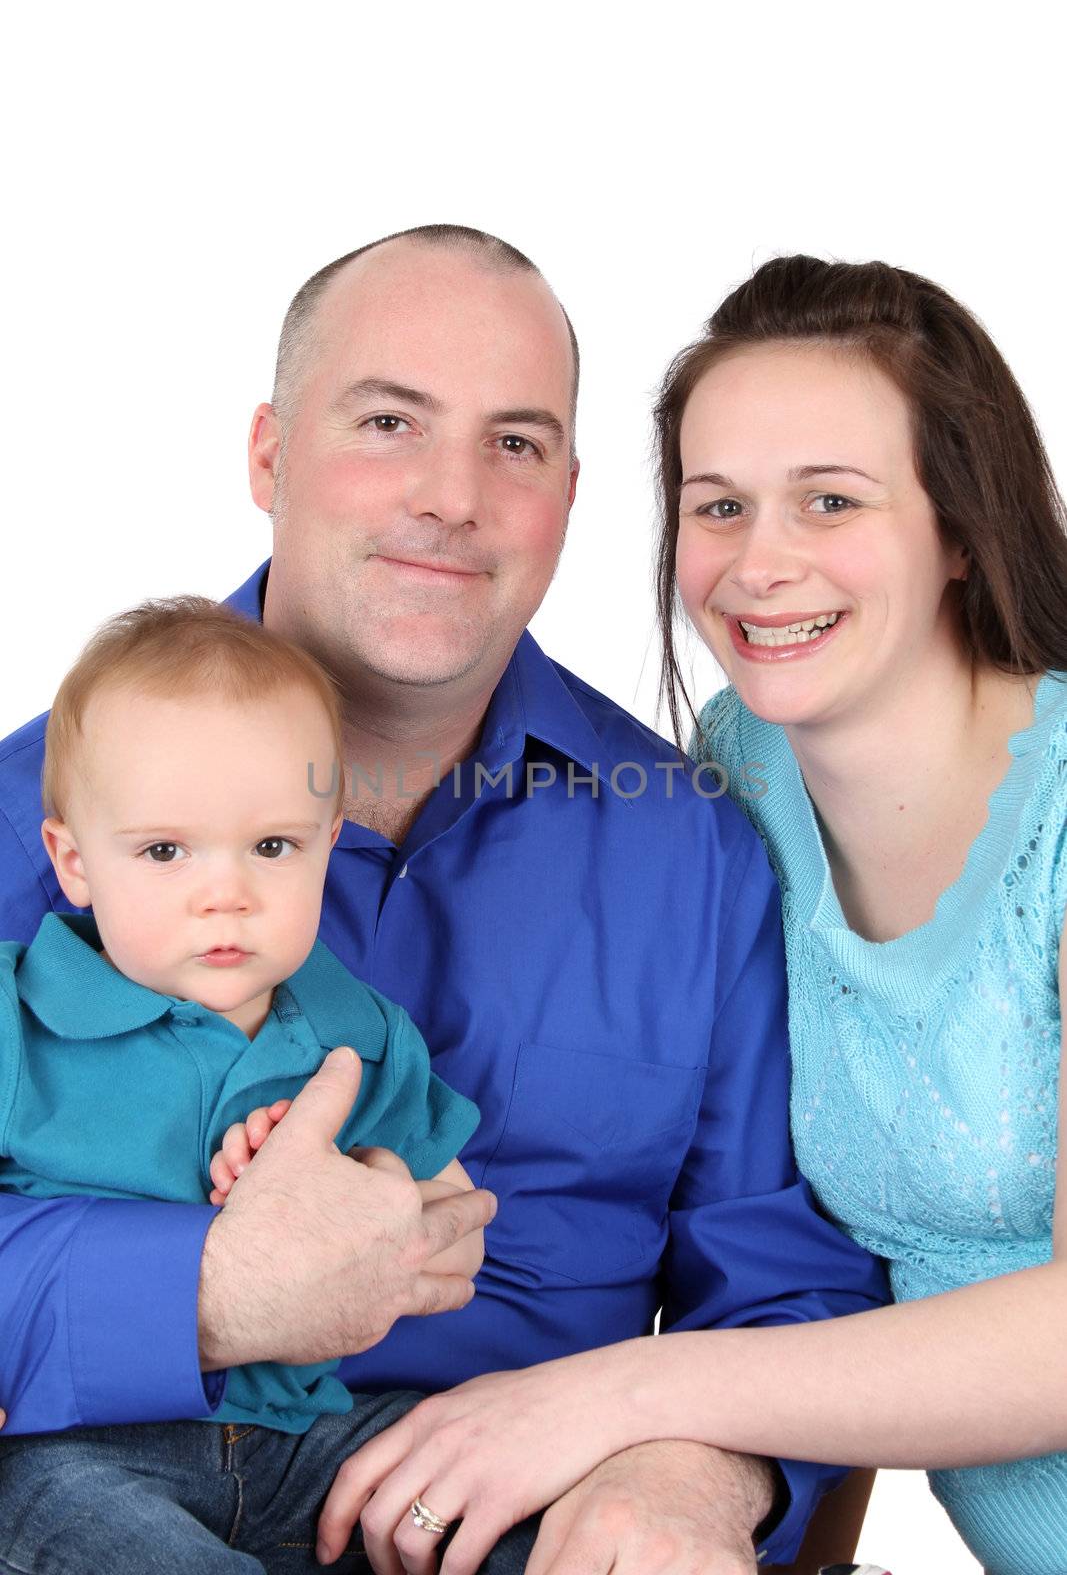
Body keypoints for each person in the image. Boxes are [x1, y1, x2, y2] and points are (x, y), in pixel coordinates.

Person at [0, 226, 888, 1573]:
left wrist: (695, 1469)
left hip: (509, 1528)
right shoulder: (31, 818)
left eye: (514, 445)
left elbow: (785, 1280)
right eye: (387, 422)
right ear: (267, 454)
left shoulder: (691, 852)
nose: (450, 496)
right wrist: (202, 1294)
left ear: (570, 496)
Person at [320, 256, 1066, 1575]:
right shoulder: (739, 777)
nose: (759, 565)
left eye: (827, 501)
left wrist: (629, 1407)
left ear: (957, 527)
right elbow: (823, 1270)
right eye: (717, 507)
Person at [0, 595, 506, 1571]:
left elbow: (448, 1215)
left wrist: (365, 1182)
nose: (224, 891)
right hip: (82, 1445)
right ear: (73, 862)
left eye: (272, 847)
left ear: (327, 841)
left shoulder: (355, 1033)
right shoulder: (18, 1022)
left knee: (506, 1508)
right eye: (163, 850)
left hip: (306, 1439)